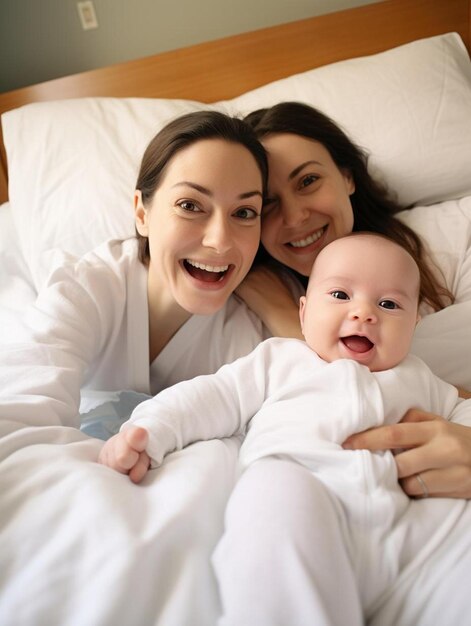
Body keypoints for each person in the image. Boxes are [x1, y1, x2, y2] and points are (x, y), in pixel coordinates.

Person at [98, 233, 471, 624]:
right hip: (309, 494)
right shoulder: (280, 359)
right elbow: (215, 395)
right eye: (341, 296)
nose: (364, 314)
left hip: (414, 533)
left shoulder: (420, 378)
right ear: (305, 311)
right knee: (272, 496)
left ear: (413, 325)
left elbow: (463, 411)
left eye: (389, 304)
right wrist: (149, 428)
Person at [239, 101, 471, 501]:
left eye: (308, 180)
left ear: (347, 176)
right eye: (269, 202)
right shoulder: (246, 294)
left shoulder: (451, 239)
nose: (295, 217)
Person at [0, 109, 273, 430]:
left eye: (243, 212)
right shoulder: (86, 287)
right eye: (190, 205)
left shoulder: (249, 332)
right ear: (142, 214)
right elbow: (20, 409)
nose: (219, 241)